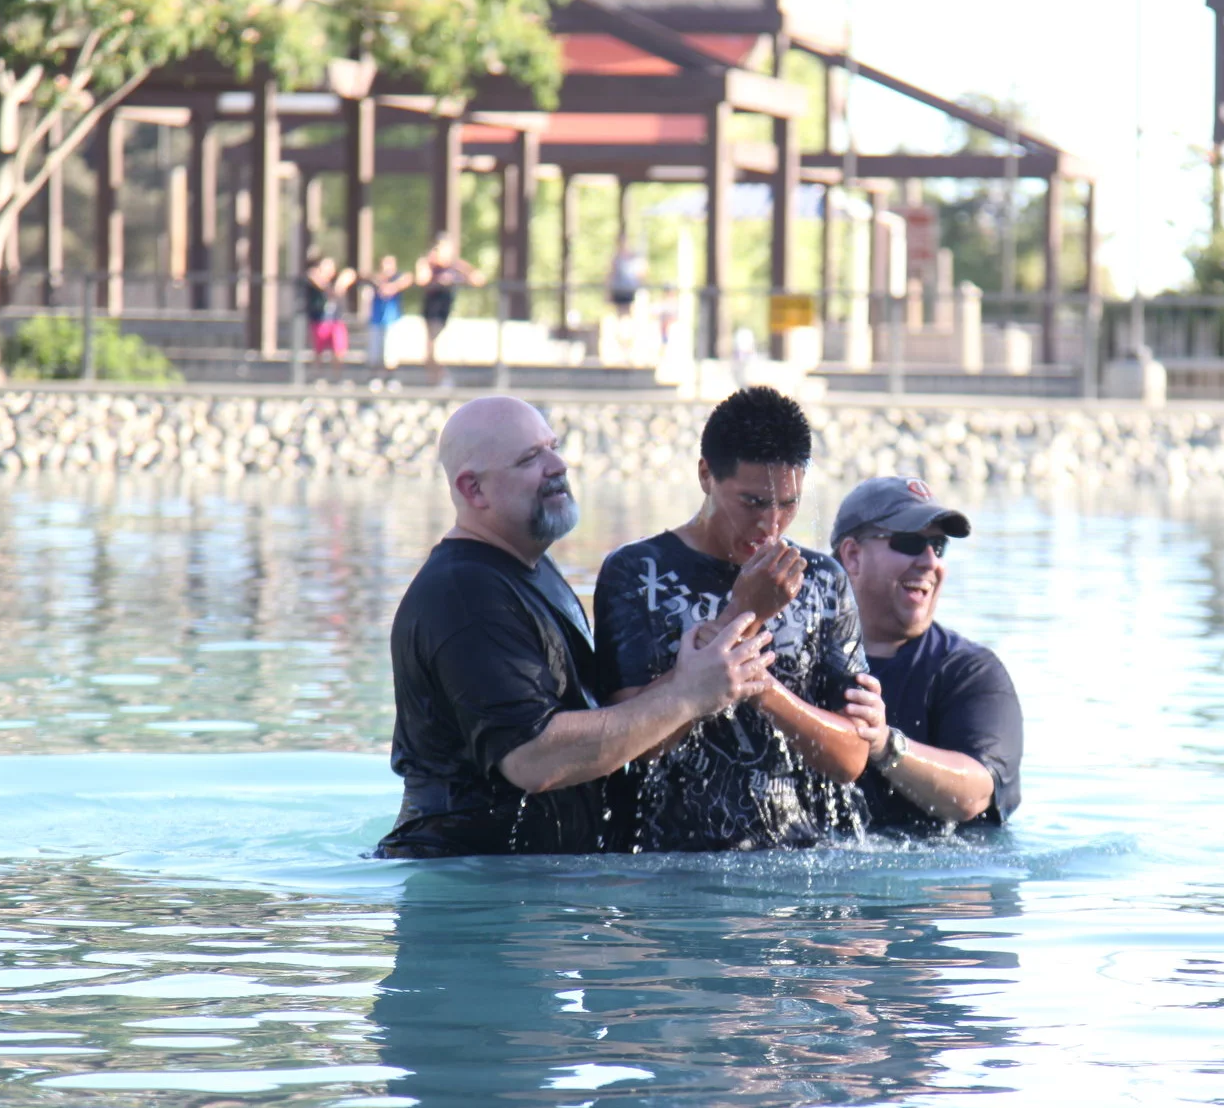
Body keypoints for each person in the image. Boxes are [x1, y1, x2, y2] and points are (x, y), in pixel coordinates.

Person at [376, 395, 776, 861]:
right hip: (469, 887)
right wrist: (687, 696)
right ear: (474, 490)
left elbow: (588, 713)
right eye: (530, 458)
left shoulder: (525, 568)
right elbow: (534, 757)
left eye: (553, 447)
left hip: (528, 886)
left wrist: (698, 677)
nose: (558, 465)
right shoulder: (464, 593)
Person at [593, 386, 882, 851]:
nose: (771, 525)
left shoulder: (822, 581)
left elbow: (850, 758)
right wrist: (745, 615)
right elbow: (632, 747)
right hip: (668, 865)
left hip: (797, 866)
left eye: (788, 504)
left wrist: (763, 690)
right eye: (752, 503)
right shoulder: (636, 572)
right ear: (706, 475)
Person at [830, 476, 1023, 835]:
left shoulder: (971, 672)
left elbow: (975, 793)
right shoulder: (801, 658)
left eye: (938, 545)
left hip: (947, 885)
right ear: (853, 556)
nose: (930, 561)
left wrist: (885, 746)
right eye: (910, 543)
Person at [415, 232, 480, 376]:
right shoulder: (430, 266)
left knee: (439, 349)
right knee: (430, 349)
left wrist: (458, 266)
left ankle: (442, 378)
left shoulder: (454, 267)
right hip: (431, 311)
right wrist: (426, 263)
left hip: (446, 312)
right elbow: (421, 280)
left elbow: (478, 279)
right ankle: (434, 379)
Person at [302, 254, 353, 363]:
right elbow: (319, 283)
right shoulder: (314, 279)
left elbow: (350, 274)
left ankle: (336, 377)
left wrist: (338, 285)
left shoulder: (339, 279)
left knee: (338, 351)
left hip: (336, 320)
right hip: (319, 319)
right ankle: (318, 376)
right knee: (318, 352)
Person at [366, 254, 411, 368]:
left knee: (390, 351)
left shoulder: (398, 279)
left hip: (392, 319)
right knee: (375, 350)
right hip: (376, 319)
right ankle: (375, 376)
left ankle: (391, 376)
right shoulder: (375, 280)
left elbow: (408, 278)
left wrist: (393, 287)